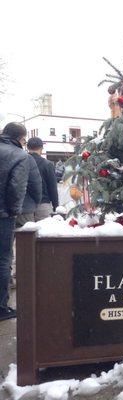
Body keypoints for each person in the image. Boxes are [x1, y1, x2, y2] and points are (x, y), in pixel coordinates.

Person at [0, 123, 32, 321]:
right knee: (3, 259)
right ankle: (1, 308)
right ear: (20, 138)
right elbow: (16, 187)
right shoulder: (19, 155)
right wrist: (14, 212)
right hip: (3, 215)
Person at [27, 137, 59, 220]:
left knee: (26, 232)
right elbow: (52, 187)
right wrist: (56, 206)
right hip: (43, 204)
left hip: (25, 205)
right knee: (45, 230)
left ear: (27, 148)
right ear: (41, 148)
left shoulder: (22, 162)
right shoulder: (47, 164)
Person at [15, 138, 42, 228]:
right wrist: (36, 201)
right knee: (25, 238)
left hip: (4, 209)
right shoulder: (25, 158)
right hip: (25, 206)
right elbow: (35, 184)